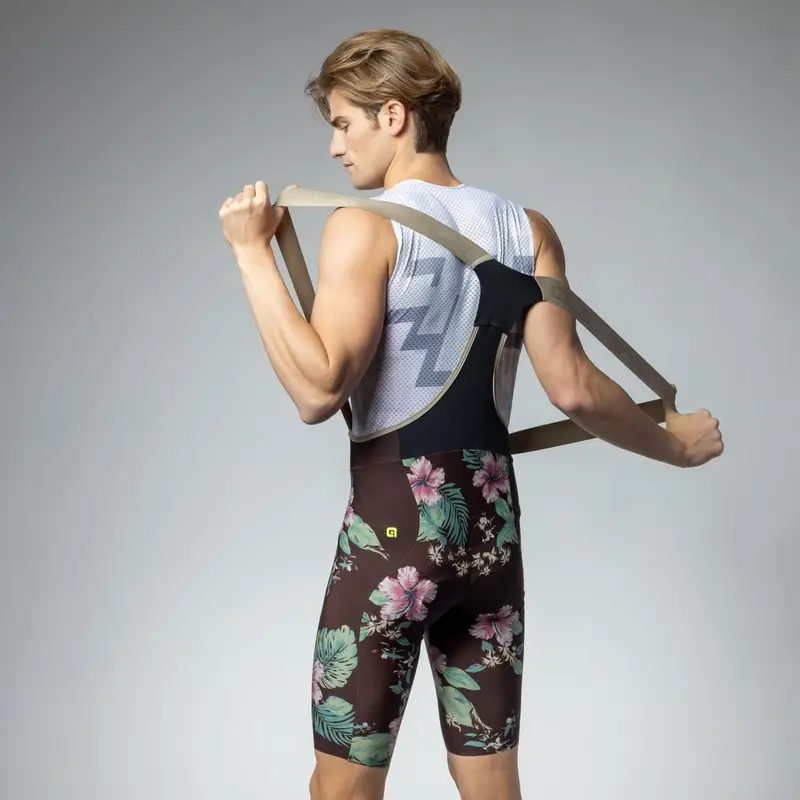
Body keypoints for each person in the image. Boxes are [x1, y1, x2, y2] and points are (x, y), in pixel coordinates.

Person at [218, 28, 724, 800]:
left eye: (343, 123)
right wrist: (675, 446)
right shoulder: (528, 230)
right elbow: (574, 388)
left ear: (393, 116)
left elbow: (318, 391)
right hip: (491, 536)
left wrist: (253, 255)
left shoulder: (363, 224)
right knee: (492, 784)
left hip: (394, 538)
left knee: (342, 788)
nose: (333, 147)